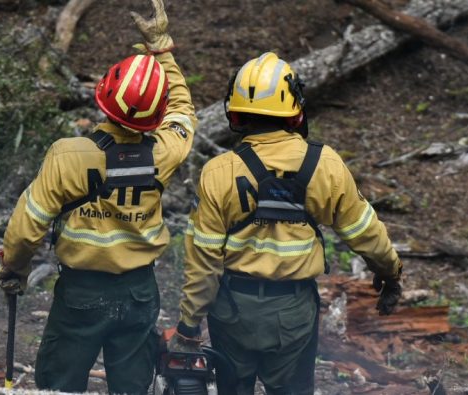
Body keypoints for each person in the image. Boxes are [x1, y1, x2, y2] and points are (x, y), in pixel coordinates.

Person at [168, 53, 403, 395]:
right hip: (294, 311)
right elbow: (365, 232)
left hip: (233, 309)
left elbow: (203, 262)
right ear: (296, 110)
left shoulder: (218, 172)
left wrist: (189, 325)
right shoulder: (325, 165)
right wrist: (390, 272)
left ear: (234, 112)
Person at [0, 0, 197, 392]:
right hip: (139, 291)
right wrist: (162, 50)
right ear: (156, 116)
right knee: (133, 386)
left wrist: (14, 270)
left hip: (82, 292)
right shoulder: (166, 152)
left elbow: (26, 226)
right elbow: (184, 112)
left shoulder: (69, 155)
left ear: (102, 95)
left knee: (59, 384)